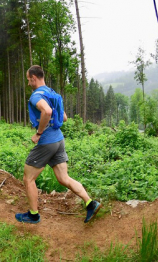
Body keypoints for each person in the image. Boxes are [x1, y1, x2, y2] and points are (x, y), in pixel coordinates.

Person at [15, 65, 100, 224]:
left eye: (28, 80)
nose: (28, 83)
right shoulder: (51, 93)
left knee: (28, 178)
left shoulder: (36, 96)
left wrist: (39, 133)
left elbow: (46, 112)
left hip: (47, 142)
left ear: (34, 78)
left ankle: (33, 215)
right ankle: (90, 203)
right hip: (59, 140)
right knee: (63, 178)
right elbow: (64, 117)